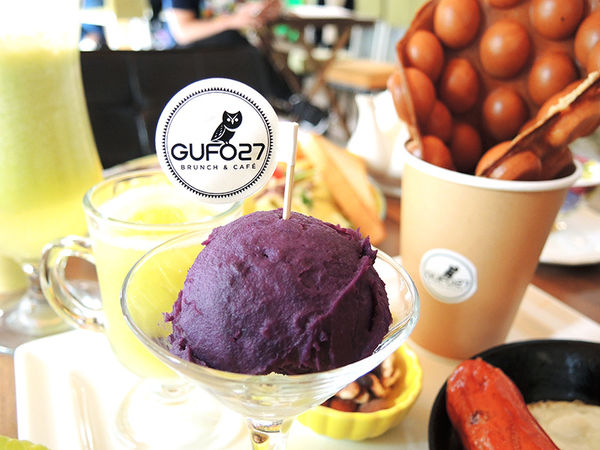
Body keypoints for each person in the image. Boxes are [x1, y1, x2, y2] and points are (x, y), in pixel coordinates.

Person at [161, 0, 328, 129]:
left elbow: (240, 10)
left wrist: (260, 11)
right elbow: (182, 33)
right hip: (183, 60)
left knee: (251, 50)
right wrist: (230, 21)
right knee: (237, 44)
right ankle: (290, 102)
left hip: (227, 55)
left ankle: (289, 103)